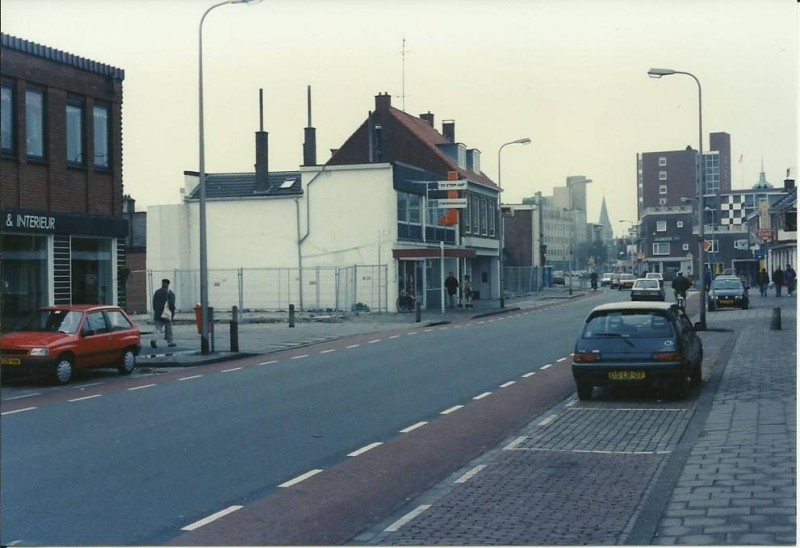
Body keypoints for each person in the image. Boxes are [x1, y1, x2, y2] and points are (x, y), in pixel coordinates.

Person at [151, 278, 176, 348]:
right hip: (167, 313)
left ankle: (154, 340)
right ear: (168, 284)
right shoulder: (170, 293)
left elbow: (154, 303)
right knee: (169, 328)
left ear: (162, 284)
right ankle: (170, 342)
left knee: (158, 328)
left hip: (158, 313)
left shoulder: (157, 292)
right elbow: (172, 304)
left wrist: (156, 311)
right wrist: (172, 313)